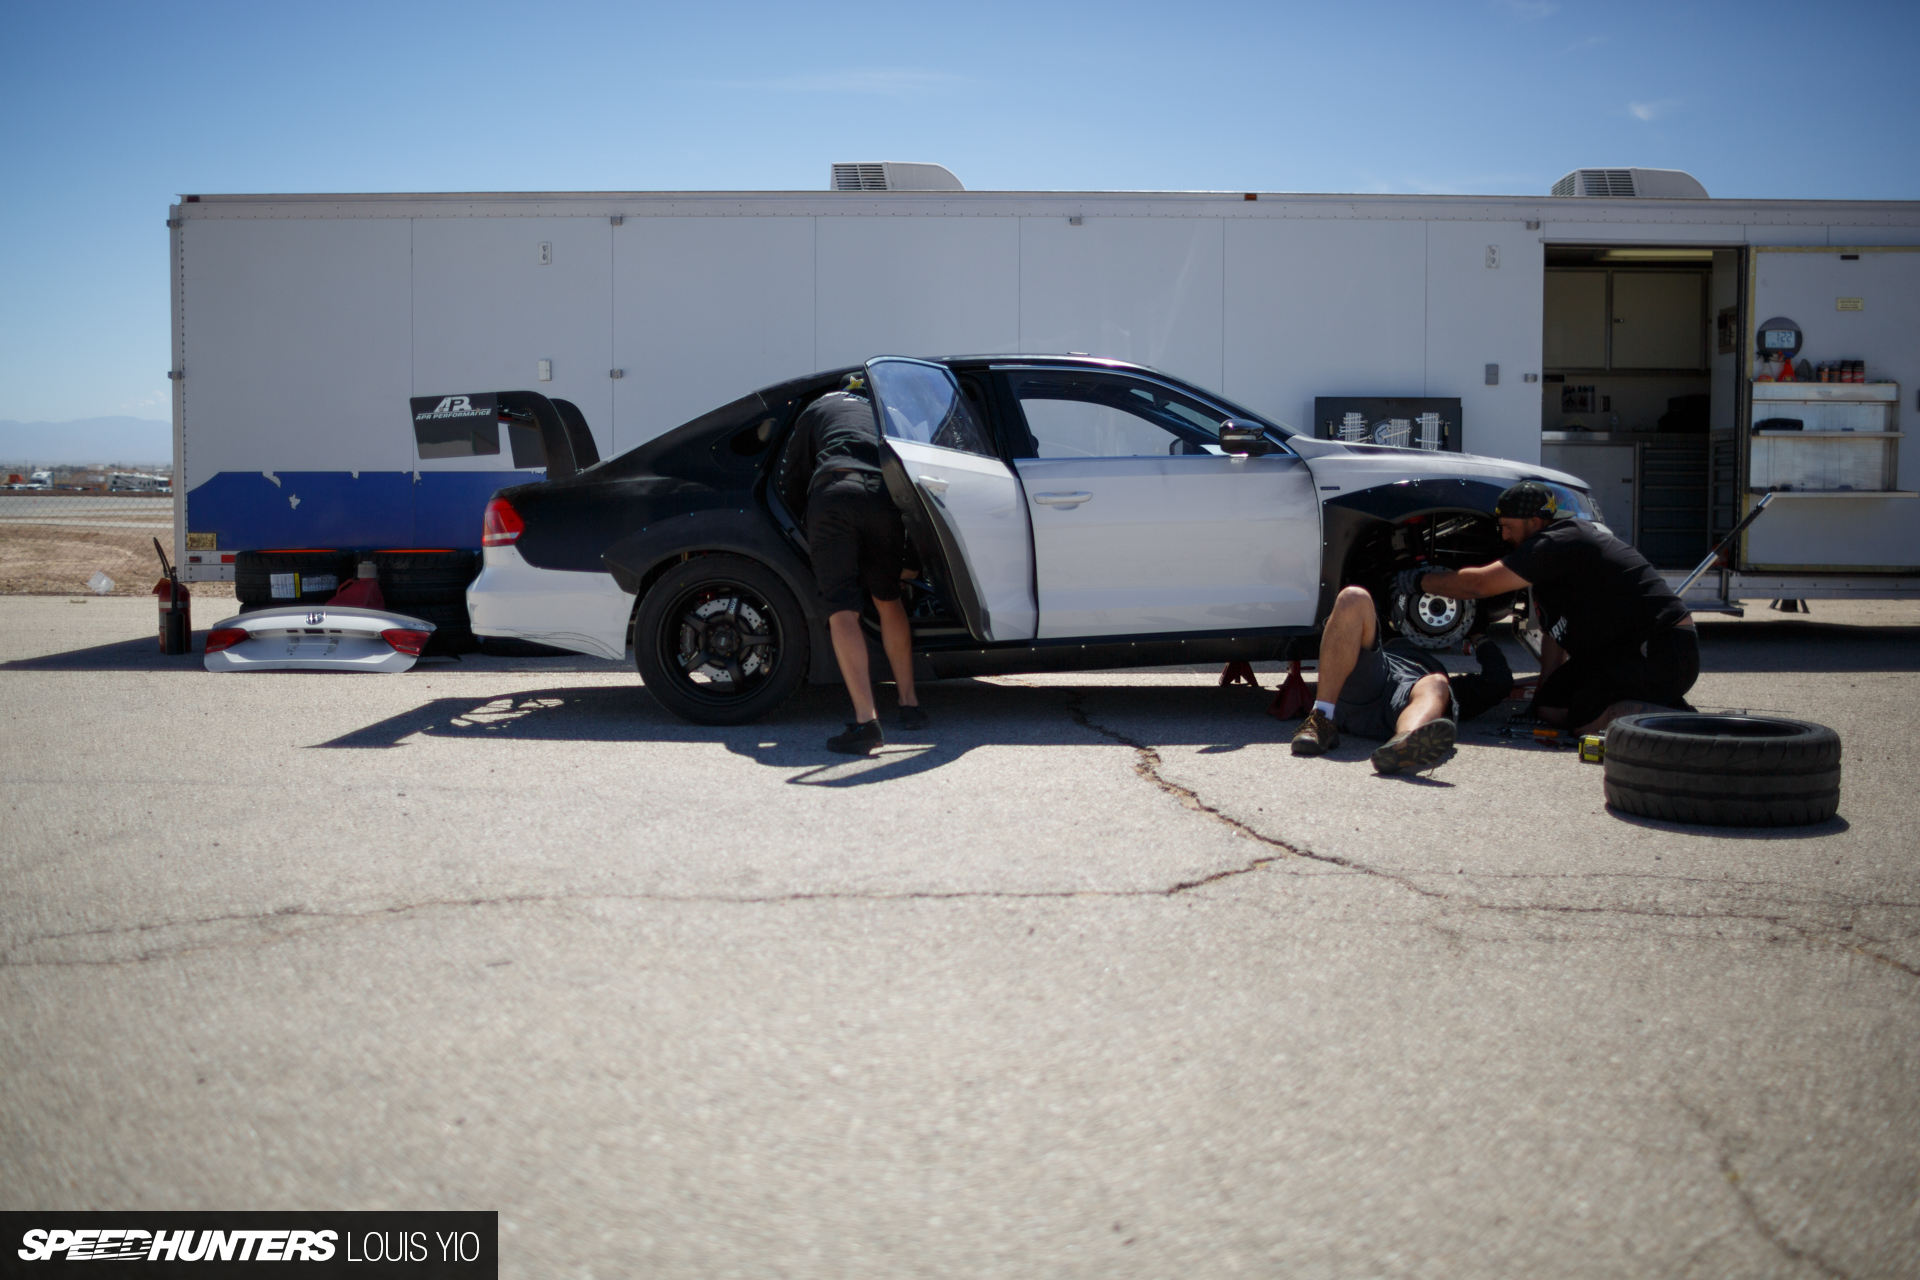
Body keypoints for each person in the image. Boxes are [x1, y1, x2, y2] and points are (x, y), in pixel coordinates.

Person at [1399, 481, 1696, 735]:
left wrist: (1418, 581)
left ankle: (1681, 720)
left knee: (1585, 720)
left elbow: (1479, 585)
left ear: (1535, 522)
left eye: (1508, 527)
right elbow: (1554, 634)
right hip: (1617, 654)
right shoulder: (1550, 570)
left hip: (1662, 650)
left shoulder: (1560, 540)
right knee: (1550, 708)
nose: (1503, 536)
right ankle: (1645, 705)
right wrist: (1539, 696)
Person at [800, 372, 926, 754]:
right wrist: (914, 556)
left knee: (842, 610)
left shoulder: (821, 406)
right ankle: (909, 705)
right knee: (887, 598)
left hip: (834, 492)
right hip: (883, 498)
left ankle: (865, 722)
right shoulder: (891, 413)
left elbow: (793, 470)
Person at [1288, 586, 1512, 774]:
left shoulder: (1443, 684)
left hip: (1410, 704)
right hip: (1373, 679)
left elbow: (1498, 681)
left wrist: (1478, 633)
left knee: (1435, 683)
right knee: (1353, 597)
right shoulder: (1389, 652)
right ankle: (1321, 719)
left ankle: (1404, 742)